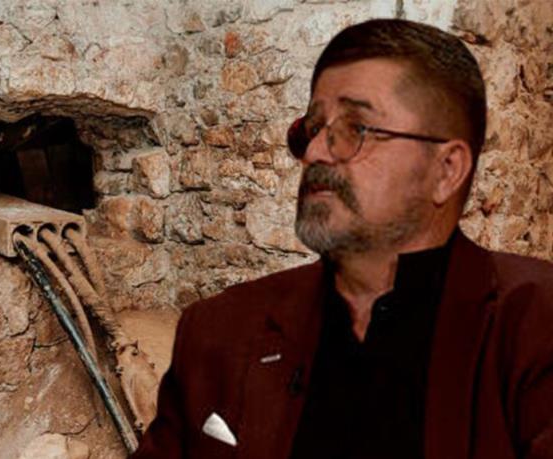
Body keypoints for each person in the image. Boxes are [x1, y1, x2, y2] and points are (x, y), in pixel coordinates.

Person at [131, 18, 553, 459]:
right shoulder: (220, 332)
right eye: (313, 128)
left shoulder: (534, 329)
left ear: (446, 171)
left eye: (357, 129)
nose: (314, 153)